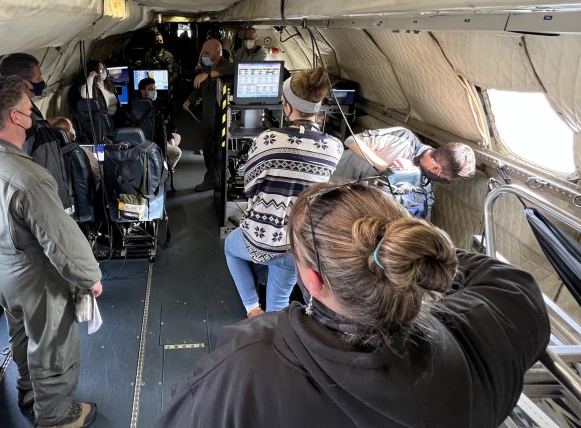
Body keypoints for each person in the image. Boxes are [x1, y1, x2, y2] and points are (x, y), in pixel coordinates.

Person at [158, 183, 550, 428]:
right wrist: (404, 248)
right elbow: (513, 283)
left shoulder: (248, 362)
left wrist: (398, 247)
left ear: (310, 280)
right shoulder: (482, 332)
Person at [0, 76, 102, 428]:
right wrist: (90, 278)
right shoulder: (29, 177)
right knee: (53, 348)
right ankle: (55, 417)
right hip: (33, 279)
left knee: (20, 333)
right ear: (16, 117)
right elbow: (60, 241)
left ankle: (28, 389)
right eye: (27, 105)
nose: (32, 111)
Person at [224, 68, 343, 317]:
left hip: (260, 238)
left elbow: (250, 186)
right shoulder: (334, 147)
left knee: (230, 247)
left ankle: (252, 307)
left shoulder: (268, 139)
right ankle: (271, 319)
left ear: (286, 105)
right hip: (296, 244)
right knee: (279, 304)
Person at [334, 126, 476, 216]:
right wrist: (385, 167)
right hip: (334, 180)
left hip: (349, 203)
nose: (445, 182)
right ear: (436, 168)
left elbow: (424, 211)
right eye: (446, 179)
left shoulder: (425, 181)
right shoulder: (403, 137)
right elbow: (352, 140)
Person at [0, 53, 72, 212]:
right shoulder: (17, 119)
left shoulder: (29, 108)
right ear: (23, 83)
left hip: (54, 199)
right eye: (38, 78)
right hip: (44, 206)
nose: (42, 82)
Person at [182, 38, 235, 192]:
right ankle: (213, 178)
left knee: (219, 153)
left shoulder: (226, 67)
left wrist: (211, 74)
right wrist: (189, 100)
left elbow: (234, 69)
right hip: (207, 121)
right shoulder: (204, 70)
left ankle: (212, 180)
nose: (203, 55)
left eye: (207, 53)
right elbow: (199, 89)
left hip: (222, 121)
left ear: (218, 53)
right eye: (203, 52)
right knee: (208, 151)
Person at [136, 77, 182, 170]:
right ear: (142, 91)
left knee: (177, 136)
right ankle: (164, 170)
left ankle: (161, 161)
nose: (154, 91)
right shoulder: (150, 110)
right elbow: (158, 130)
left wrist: (170, 138)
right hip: (151, 142)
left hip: (157, 137)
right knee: (177, 153)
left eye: (155, 88)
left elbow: (161, 127)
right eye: (151, 89)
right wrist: (167, 140)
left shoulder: (152, 105)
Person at [48, 116, 102, 189]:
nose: (73, 130)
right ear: (68, 134)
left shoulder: (44, 153)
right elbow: (98, 175)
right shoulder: (82, 152)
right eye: (72, 128)